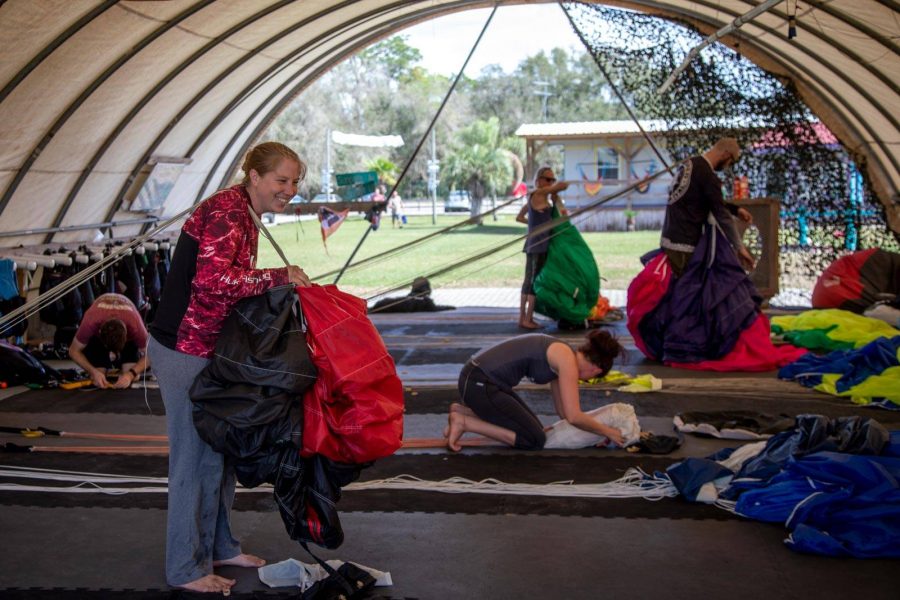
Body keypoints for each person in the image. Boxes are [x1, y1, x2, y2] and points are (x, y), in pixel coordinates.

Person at [147, 142, 312, 594]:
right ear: (254, 177)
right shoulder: (226, 211)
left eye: (295, 181)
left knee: (221, 453)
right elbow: (212, 281)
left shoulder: (247, 214)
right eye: (282, 180)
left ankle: (219, 545)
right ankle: (185, 567)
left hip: (212, 350)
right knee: (193, 458)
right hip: (183, 348)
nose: (290, 190)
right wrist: (281, 276)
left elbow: (231, 285)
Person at [444, 330, 626, 451]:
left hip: (478, 380)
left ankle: (461, 411)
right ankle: (464, 422)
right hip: (480, 384)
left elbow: (563, 412)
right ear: (596, 371)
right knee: (534, 440)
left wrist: (594, 434)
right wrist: (607, 431)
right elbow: (573, 415)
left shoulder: (564, 354)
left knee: (537, 430)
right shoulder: (568, 362)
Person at [661, 137, 755, 277]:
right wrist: (740, 247)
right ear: (726, 154)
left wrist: (736, 210)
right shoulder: (707, 176)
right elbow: (722, 215)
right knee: (688, 293)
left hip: (668, 241)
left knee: (675, 292)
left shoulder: (689, 164)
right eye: (730, 162)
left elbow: (704, 199)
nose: (727, 166)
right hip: (684, 248)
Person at [516, 166, 569, 329]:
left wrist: (535, 225)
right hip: (537, 246)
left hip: (536, 244)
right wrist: (558, 187)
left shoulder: (537, 196)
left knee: (529, 281)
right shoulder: (538, 194)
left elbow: (520, 217)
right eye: (548, 179)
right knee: (533, 282)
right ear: (538, 180)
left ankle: (523, 318)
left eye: (552, 179)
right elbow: (562, 186)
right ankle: (527, 319)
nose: (551, 182)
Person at [68, 292, 148, 389]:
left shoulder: (135, 324)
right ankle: (101, 367)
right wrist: (93, 371)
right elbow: (73, 351)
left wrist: (130, 374)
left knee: (133, 377)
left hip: (127, 329)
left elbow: (153, 354)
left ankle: (122, 367)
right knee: (98, 377)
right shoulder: (91, 321)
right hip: (98, 336)